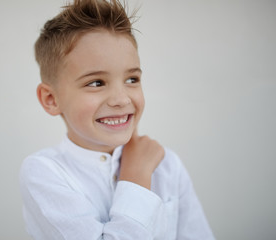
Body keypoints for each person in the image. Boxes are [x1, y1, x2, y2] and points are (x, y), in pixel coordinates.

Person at [20, 0, 215, 239]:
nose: (121, 99)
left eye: (132, 79)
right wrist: (136, 176)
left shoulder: (167, 165)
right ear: (51, 99)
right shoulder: (44, 172)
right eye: (96, 83)